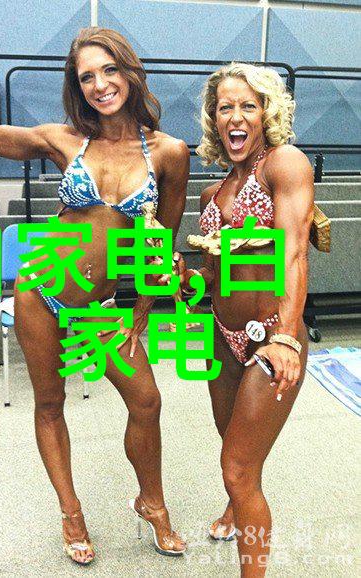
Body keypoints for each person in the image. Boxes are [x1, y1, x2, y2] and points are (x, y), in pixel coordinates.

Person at [0, 10, 190, 565]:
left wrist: (142, 309)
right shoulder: (66, 140)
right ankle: (71, 512)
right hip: (40, 291)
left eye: (109, 70)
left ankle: (152, 503)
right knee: (49, 403)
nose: (100, 84)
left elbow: (162, 240)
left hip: (101, 308)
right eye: (87, 76)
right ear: (77, 86)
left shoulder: (169, 152)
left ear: (130, 73)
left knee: (146, 400)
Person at [177, 62, 314, 577]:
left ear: (266, 114)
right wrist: (186, 280)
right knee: (230, 442)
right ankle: (236, 507)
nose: (235, 116)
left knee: (236, 469)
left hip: (271, 337)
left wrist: (286, 337)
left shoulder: (284, 164)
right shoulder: (211, 195)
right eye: (224, 108)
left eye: (247, 106)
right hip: (222, 337)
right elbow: (213, 280)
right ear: (214, 119)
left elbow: (294, 253)